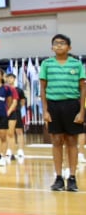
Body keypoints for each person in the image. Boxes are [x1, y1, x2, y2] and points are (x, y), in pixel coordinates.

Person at [39, 34, 86, 192]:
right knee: (57, 141)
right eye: (56, 43)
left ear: (69, 47)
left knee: (72, 142)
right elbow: (42, 89)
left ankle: (72, 178)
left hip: (72, 104)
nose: (59, 45)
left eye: (63, 43)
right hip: (53, 105)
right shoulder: (46, 64)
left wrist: (81, 111)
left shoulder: (77, 64)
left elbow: (83, 88)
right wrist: (45, 110)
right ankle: (58, 178)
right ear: (52, 47)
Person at [5, 72, 27, 161]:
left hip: (16, 112)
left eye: (11, 78)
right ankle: (9, 149)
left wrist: (17, 108)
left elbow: (22, 101)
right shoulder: (5, 89)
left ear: (14, 79)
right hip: (6, 112)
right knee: (9, 132)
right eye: (8, 78)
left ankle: (21, 150)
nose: (10, 80)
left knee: (19, 131)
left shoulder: (19, 90)